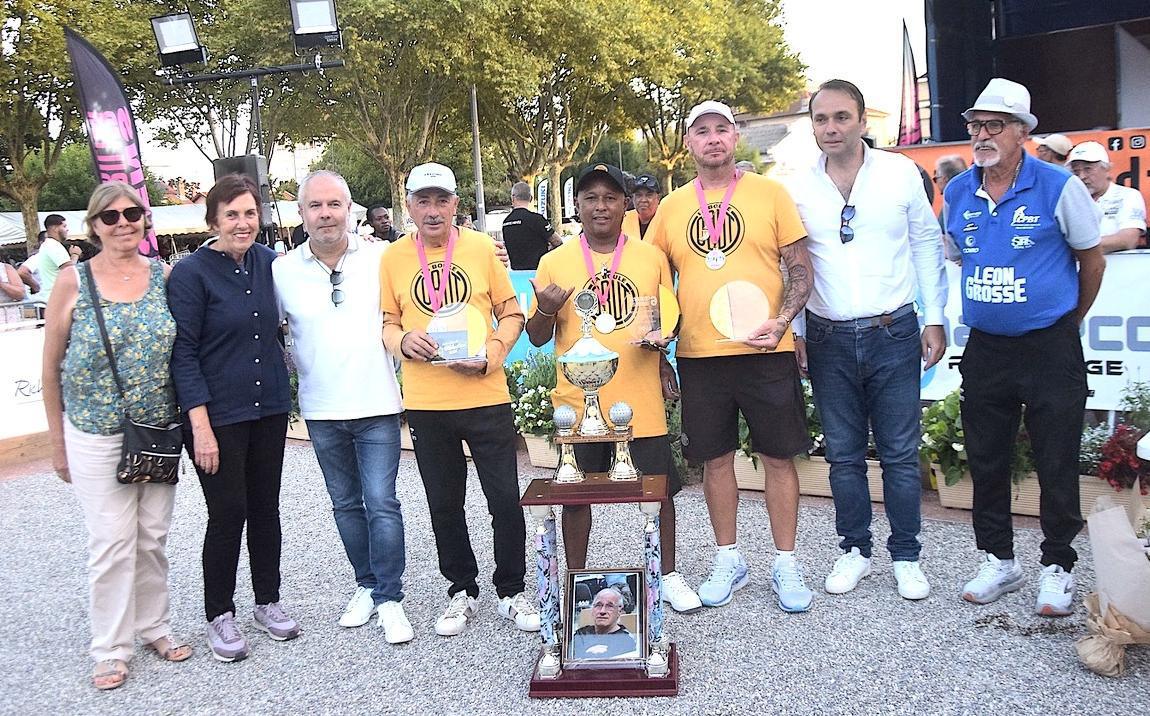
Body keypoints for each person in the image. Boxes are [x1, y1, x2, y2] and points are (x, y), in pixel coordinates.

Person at [942, 78, 1105, 616]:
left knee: (1056, 457)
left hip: (1048, 347)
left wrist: (1065, 321)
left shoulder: (1060, 186)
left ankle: (1057, 564)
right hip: (987, 347)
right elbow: (959, 257)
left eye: (994, 126)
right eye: (975, 126)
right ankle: (998, 559)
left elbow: (1092, 261)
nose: (981, 135)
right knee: (986, 458)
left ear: (1022, 132)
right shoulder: (960, 191)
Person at [646, 100, 816, 613]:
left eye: (723, 129)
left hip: (766, 349)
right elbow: (653, 282)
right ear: (689, 144)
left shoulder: (770, 194)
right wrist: (659, 348)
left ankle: (786, 563)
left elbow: (800, 269)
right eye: (702, 131)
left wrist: (783, 322)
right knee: (715, 459)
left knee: (777, 456)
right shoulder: (672, 207)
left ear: (736, 137)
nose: (714, 138)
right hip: (700, 355)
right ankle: (729, 559)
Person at [786, 79, 946, 601]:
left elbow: (926, 243)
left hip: (893, 331)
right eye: (821, 119)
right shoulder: (797, 184)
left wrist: (935, 317)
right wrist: (798, 330)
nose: (830, 128)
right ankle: (854, 550)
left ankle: (906, 555)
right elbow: (792, 264)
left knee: (899, 453)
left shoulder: (899, 173)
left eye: (840, 117)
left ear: (861, 121)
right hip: (827, 336)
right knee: (843, 455)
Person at [525, 163, 702, 614]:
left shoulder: (649, 257)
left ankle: (669, 574)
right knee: (575, 496)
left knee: (658, 494)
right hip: (578, 404)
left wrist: (663, 361)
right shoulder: (554, 261)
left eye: (610, 197)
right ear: (577, 206)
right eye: (590, 198)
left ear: (626, 204)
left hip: (640, 399)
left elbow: (658, 320)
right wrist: (545, 311)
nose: (600, 206)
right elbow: (540, 336)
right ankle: (573, 580)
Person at [41, 181, 191, 690]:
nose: (124, 222)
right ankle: (110, 647)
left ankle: (154, 626)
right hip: (95, 432)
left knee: (152, 538)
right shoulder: (72, 281)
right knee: (110, 542)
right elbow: (51, 368)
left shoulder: (165, 276)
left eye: (133, 213)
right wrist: (57, 442)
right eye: (111, 217)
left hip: (157, 430)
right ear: (94, 225)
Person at [379, 162, 539, 637]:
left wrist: (492, 353)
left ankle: (511, 589)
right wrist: (401, 340)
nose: (433, 211)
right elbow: (387, 320)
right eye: (423, 201)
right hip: (428, 402)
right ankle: (461, 590)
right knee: (444, 503)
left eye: (441, 200)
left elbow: (512, 311)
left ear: (455, 204)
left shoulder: (481, 249)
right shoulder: (392, 258)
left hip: (485, 394)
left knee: (505, 500)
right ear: (408, 205)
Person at [273, 170, 413, 645]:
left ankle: (391, 597)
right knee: (345, 504)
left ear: (349, 210)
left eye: (335, 204)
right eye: (316, 205)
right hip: (321, 408)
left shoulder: (383, 257)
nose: (326, 213)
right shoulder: (281, 271)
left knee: (382, 502)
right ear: (302, 213)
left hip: (376, 402)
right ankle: (367, 586)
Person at [168, 174, 299, 662]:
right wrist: (198, 425)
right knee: (227, 514)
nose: (243, 223)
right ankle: (219, 613)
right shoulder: (190, 274)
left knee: (266, 508)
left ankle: (268, 600)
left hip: (268, 409)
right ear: (213, 221)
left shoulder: (270, 264)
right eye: (232, 215)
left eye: (249, 213)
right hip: (217, 416)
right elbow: (183, 353)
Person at [1067, 141, 1147, 253]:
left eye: (1088, 169)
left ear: (1107, 168)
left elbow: (1128, 239)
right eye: (1076, 171)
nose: (1082, 176)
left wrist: (1072, 248)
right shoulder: (1069, 200)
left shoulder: (1128, 195)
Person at [501, 181, 561, 269]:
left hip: (516, 274)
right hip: (539, 272)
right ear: (531, 198)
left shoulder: (506, 223)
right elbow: (558, 242)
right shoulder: (537, 219)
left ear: (512, 198)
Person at [571, 588, 638, 659]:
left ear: (619, 611)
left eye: (609, 606)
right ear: (592, 610)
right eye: (598, 605)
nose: (602, 611)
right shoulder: (581, 635)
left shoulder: (625, 640)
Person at [25, 215, 73, 303]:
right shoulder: (54, 246)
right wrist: (75, 255)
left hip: (50, 301)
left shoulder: (47, 245)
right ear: (55, 228)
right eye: (64, 226)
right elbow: (70, 271)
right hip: (56, 301)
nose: (67, 229)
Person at [621, 173, 661, 241]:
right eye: (638, 195)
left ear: (658, 198)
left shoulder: (666, 219)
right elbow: (618, 248)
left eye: (649, 195)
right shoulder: (623, 219)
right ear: (633, 198)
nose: (643, 200)